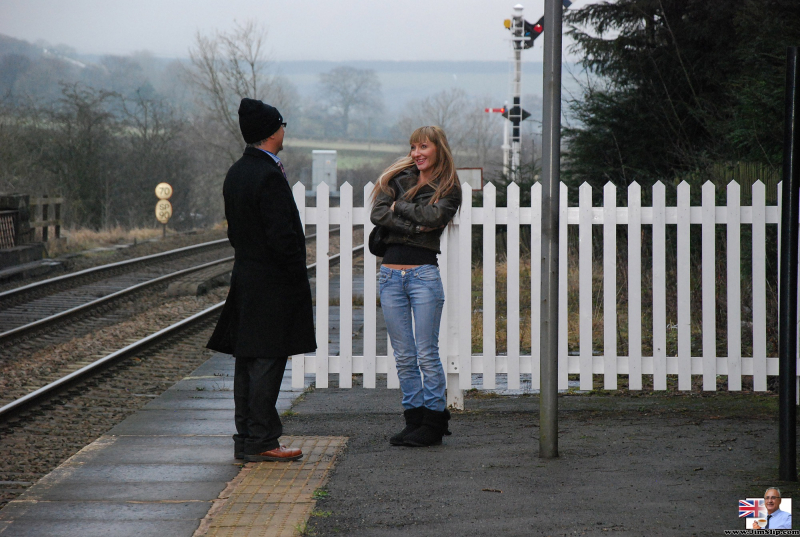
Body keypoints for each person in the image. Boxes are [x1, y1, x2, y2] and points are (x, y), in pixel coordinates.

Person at [207, 98, 316, 463]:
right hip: (273, 284)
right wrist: (293, 275)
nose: (285, 131)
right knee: (268, 361)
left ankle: (246, 439)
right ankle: (264, 440)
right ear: (274, 131)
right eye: (283, 125)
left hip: (247, 277)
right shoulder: (268, 174)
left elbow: (236, 233)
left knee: (247, 361)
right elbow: (282, 237)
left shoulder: (237, 172)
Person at [370, 125, 462, 447]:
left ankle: (434, 423)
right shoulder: (398, 179)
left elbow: (435, 217)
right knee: (404, 356)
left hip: (423, 275)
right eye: (413, 147)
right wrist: (413, 221)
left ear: (438, 148)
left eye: (423, 147)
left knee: (426, 354)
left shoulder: (449, 187)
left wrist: (400, 208)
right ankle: (413, 419)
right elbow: (378, 213)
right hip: (390, 276)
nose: (416, 153)